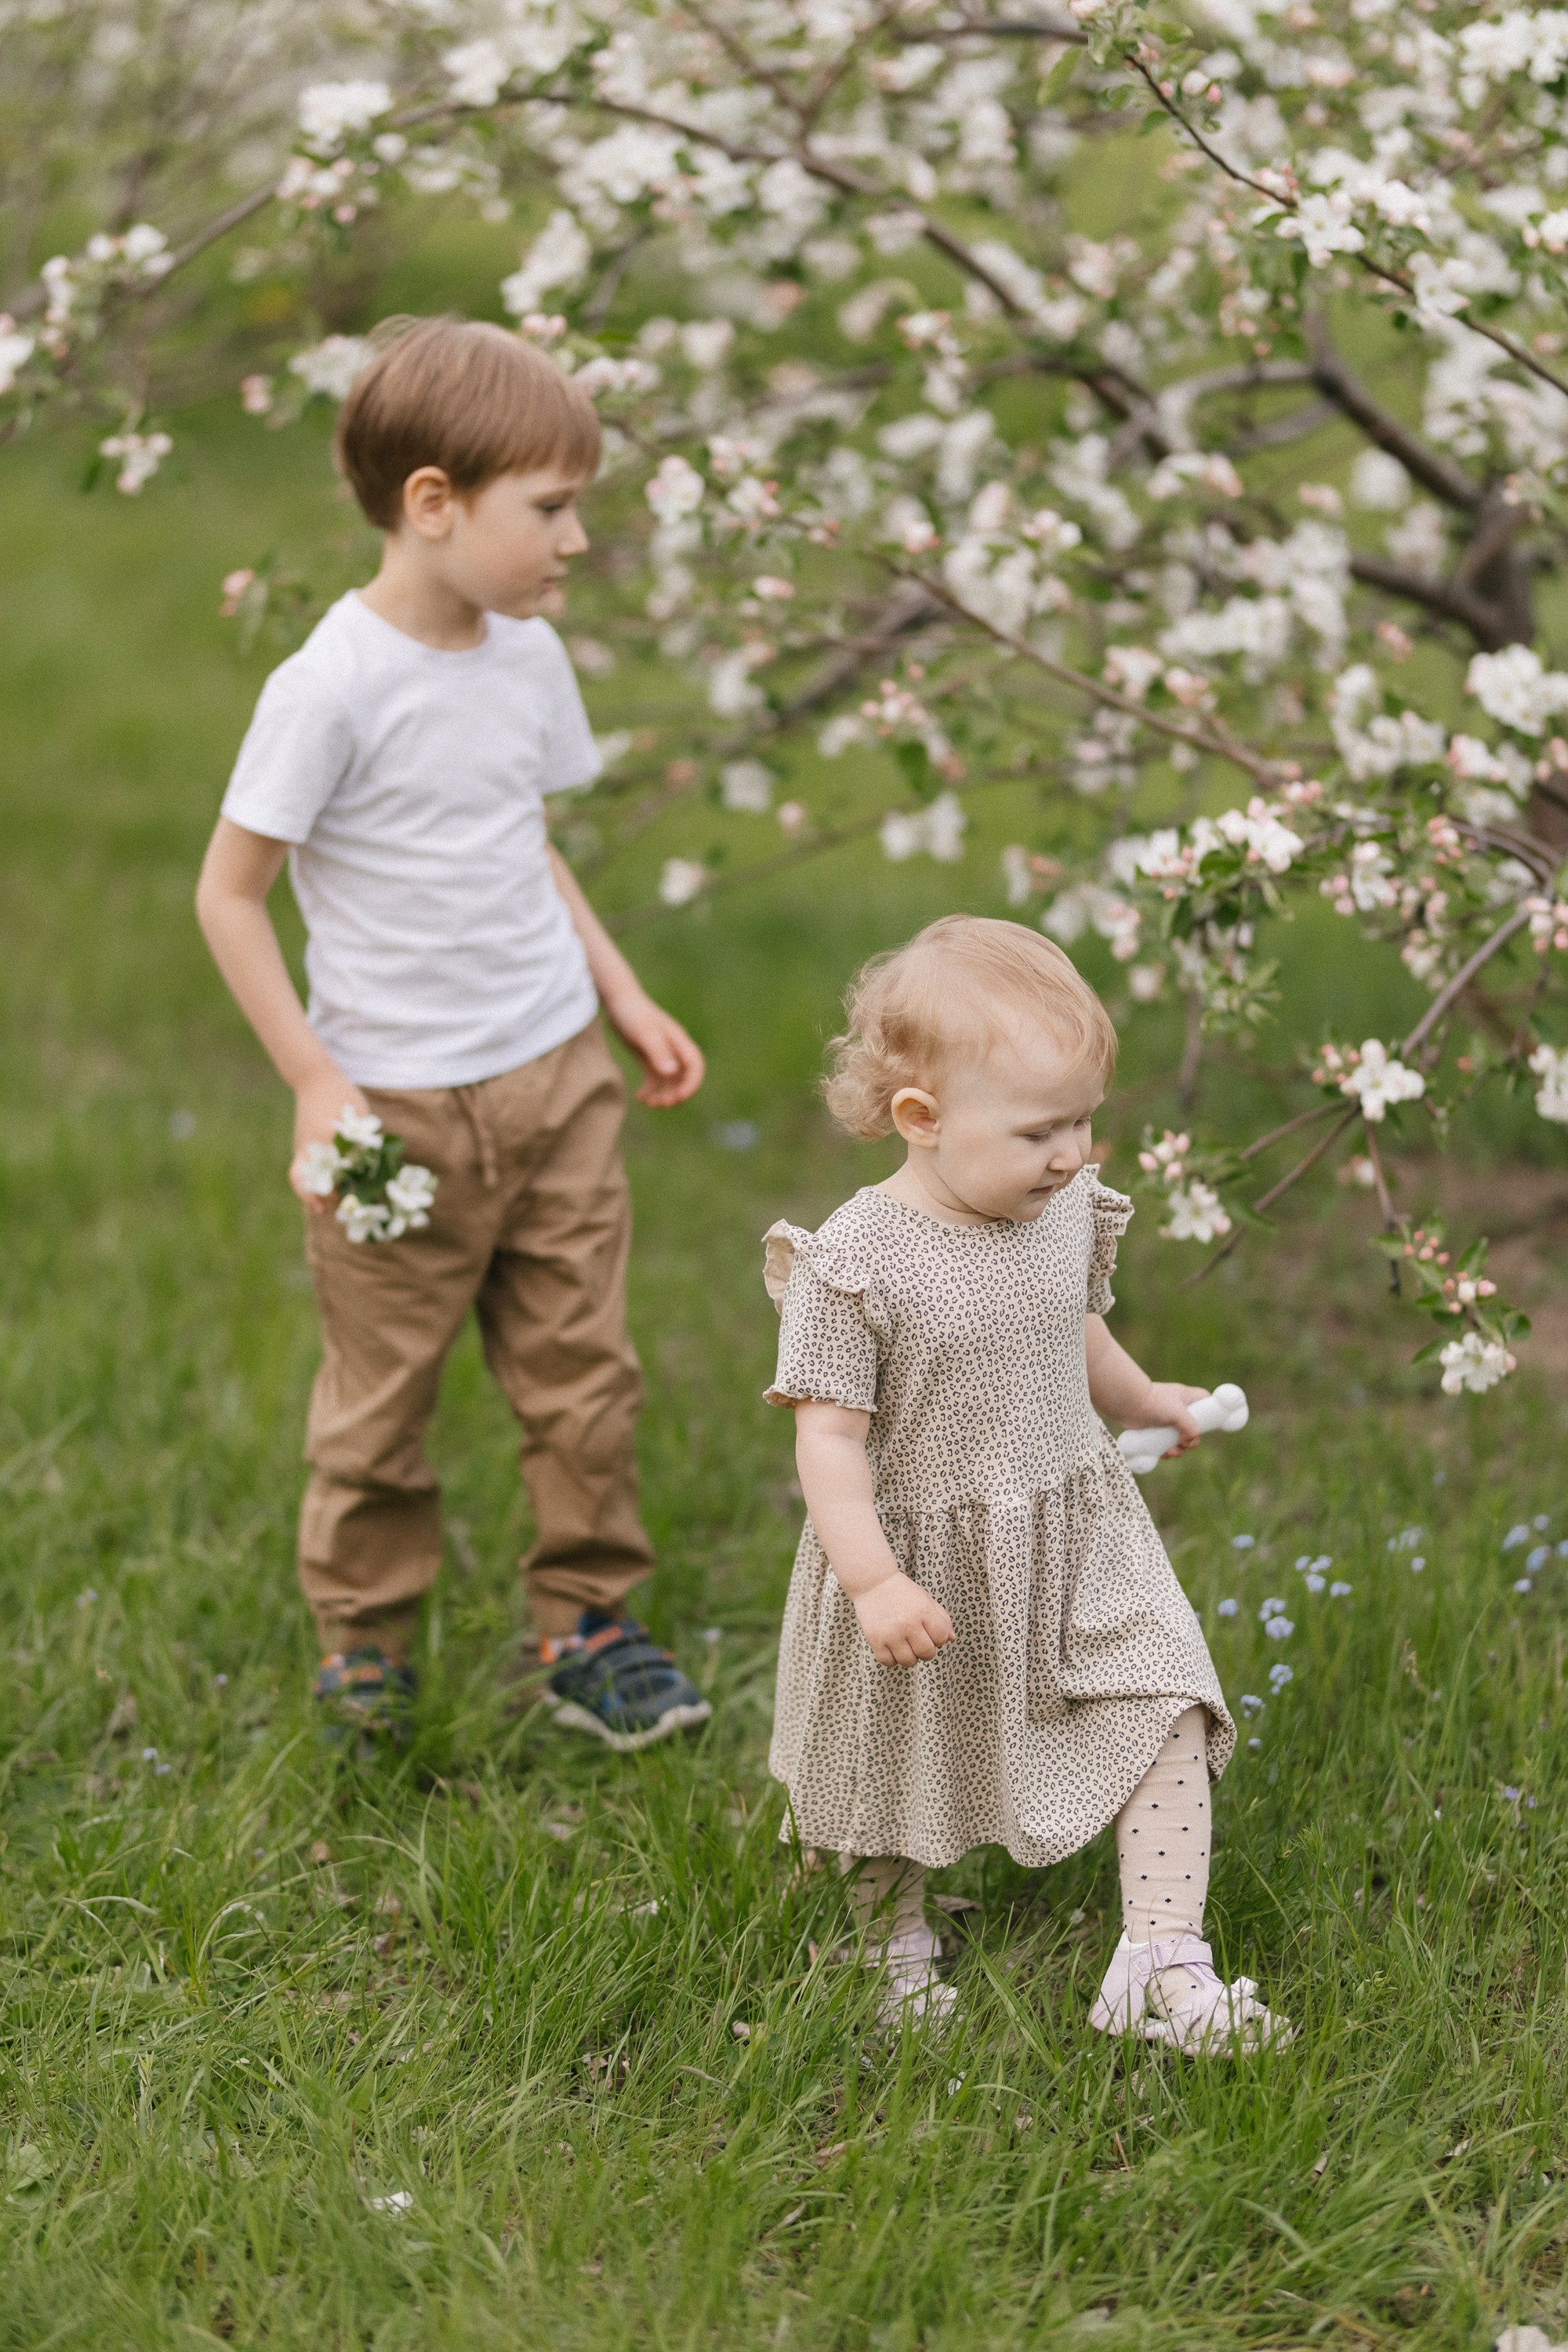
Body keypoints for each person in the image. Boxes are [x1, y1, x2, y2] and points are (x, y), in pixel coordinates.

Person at [197, 314, 711, 1752]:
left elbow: (518, 839)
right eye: (550, 509)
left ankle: (588, 1625)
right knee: (380, 1408)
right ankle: (366, 1650)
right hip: (397, 1116)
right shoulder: (331, 688)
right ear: (435, 504)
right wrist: (316, 1081)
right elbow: (230, 895)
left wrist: (618, 992)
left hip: (557, 1077)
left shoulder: (528, 658)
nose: (578, 540)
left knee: (584, 1376)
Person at [762, 916, 1290, 2049]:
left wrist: (1144, 1398)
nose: (1075, 1153)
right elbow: (829, 1443)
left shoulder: (1055, 1216)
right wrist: (872, 1584)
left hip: (1075, 1529)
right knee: (889, 1762)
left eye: (1086, 1120)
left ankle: (1159, 1957)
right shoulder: (859, 1260)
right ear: (923, 1120)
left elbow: (1077, 1331)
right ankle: (880, 1946)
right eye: (1042, 1129)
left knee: (1169, 1705)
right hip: (921, 1559)